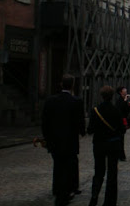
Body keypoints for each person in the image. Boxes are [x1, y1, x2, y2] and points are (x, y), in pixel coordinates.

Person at [42, 74, 85, 206]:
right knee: (69, 166)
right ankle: (66, 193)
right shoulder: (76, 101)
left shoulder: (50, 101)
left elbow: (45, 122)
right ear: (72, 85)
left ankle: (57, 189)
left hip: (54, 141)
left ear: (61, 84)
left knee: (58, 165)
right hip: (70, 141)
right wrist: (82, 132)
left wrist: (47, 138)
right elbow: (80, 122)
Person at [87, 85, 125, 206]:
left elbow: (90, 130)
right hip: (113, 145)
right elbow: (122, 129)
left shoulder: (95, 111)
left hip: (99, 144)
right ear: (112, 96)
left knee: (98, 172)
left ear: (102, 96)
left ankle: (94, 197)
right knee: (112, 173)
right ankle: (110, 201)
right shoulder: (116, 111)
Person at [116, 86, 130, 161]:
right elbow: (120, 109)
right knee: (120, 138)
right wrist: (125, 101)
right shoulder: (120, 100)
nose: (125, 90)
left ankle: (121, 155)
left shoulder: (124, 99)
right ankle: (121, 155)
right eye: (124, 90)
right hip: (121, 121)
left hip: (124, 120)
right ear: (121, 92)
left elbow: (128, 110)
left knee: (121, 138)